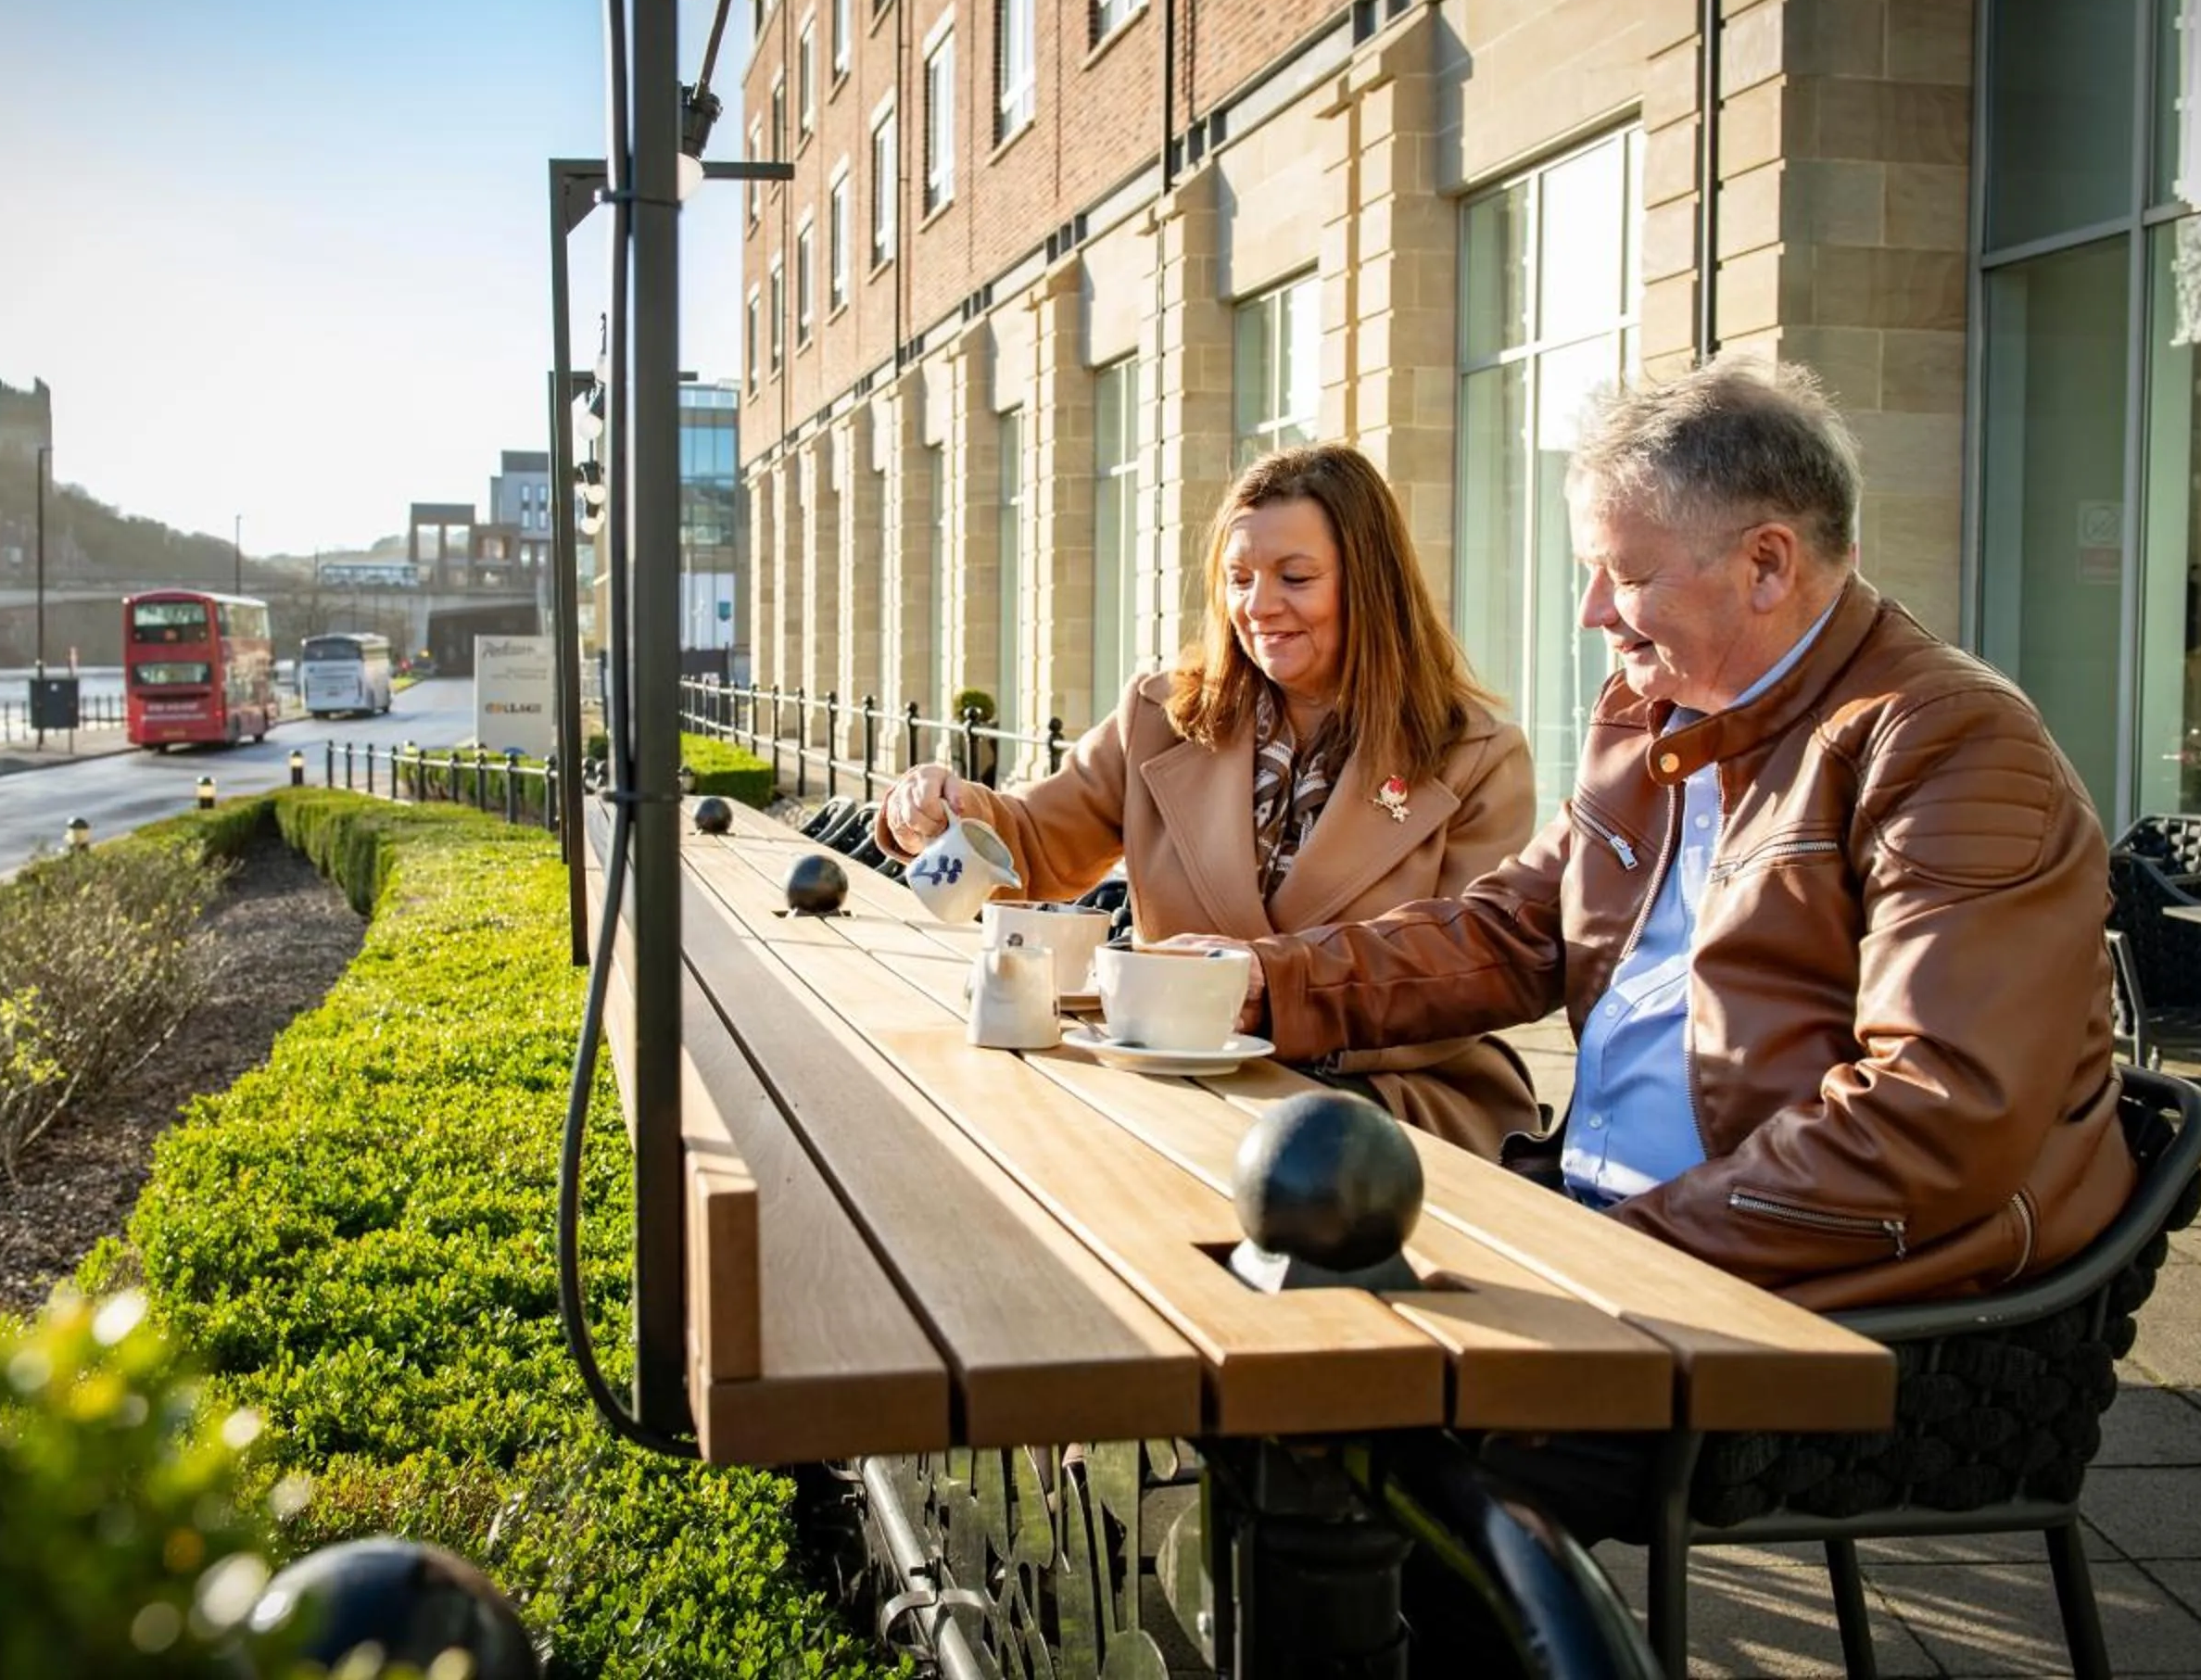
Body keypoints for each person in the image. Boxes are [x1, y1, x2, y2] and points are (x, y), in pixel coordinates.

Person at [1198, 358, 2134, 1310]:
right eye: (1588, 574)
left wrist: (1614, 1250)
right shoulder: (1655, 713)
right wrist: (1259, 982)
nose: (1592, 612)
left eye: (1625, 574)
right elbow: (1512, 930)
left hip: (1811, 1290)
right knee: (1237, 1277)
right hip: (1622, 1228)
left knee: (1303, 1340)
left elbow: (1935, 1117)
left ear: (1767, 564)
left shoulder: (1952, 743)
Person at [877, 445, 1541, 1155]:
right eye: (1239, 578)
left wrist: (1274, 988)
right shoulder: (1162, 716)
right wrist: (948, 812)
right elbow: (1035, 844)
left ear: (1370, 584)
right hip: (1178, 1086)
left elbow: (1459, 972)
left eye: (1296, 577)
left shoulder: (1475, 755)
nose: (1259, 606)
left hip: (1381, 1111)